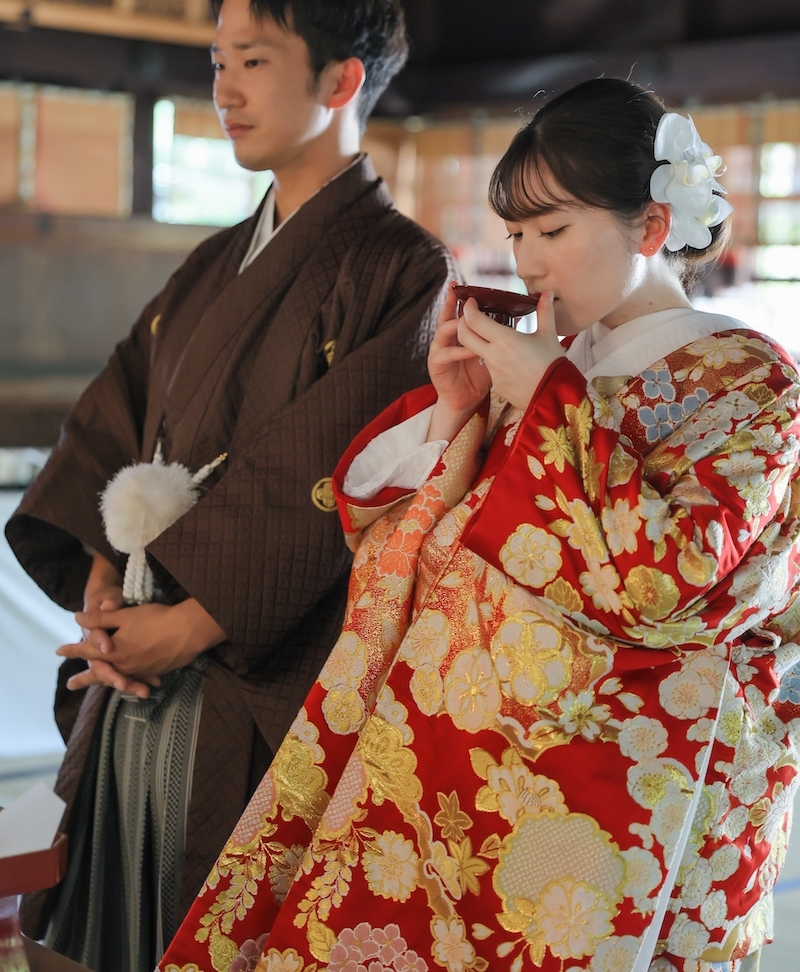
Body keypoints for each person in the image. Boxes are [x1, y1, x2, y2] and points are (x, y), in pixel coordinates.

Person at [160, 78, 800, 972]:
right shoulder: (552, 366)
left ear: (651, 227)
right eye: (515, 234)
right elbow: (410, 546)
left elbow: (672, 578)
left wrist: (550, 404)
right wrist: (454, 416)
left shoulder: (749, 379)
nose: (529, 261)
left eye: (554, 229)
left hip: (624, 784)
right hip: (447, 751)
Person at [5, 0, 456, 972]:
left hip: (251, 660)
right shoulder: (213, 262)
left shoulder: (401, 270)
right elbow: (114, 421)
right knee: (112, 912)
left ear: (341, 78)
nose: (224, 88)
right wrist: (105, 584)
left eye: (253, 60)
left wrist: (196, 620)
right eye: (218, 62)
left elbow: (346, 474)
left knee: (209, 917)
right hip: (139, 653)